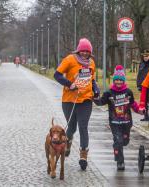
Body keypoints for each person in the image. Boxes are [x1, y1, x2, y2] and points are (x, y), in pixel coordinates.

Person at [53, 38, 99, 170]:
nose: (85, 53)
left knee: (83, 127)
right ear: (79, 50)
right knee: (71, 127)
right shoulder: (70, 59)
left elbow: (92, 79)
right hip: (69, 100)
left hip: (85, 100)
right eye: (83, 51)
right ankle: (68, 140)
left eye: (87, 51)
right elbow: (57, 75)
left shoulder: (91, 63)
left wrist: (96, 89)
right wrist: (69, 84)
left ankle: (83, 155)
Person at [94, 65, 143, 170]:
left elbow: (133, 103)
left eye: (121, 80)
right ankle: (120, 161)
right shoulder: (109, 93)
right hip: (114, 122)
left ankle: (120, 144)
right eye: (117, 80)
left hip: (127, 122)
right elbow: (101, 102)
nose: (119, 82)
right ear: (114, 81)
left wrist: (139, 110)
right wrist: (94, 98)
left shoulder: (128, 92)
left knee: (125, 141)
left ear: (124, 81)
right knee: (118, 141)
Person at [136, 49, 149, 121]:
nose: (145, 57)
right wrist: (138, 85)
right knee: (145, 101)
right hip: (143, 85)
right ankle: (146, 116)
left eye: (147, 56)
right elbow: (139, 75)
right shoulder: (142, 64)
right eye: (144, 56)